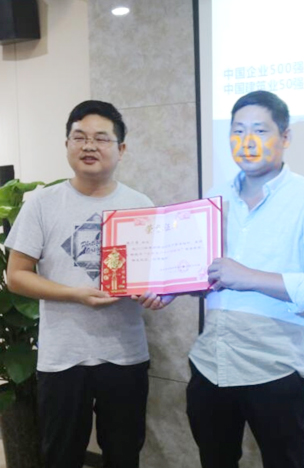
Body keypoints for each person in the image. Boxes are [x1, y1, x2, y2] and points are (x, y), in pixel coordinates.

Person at [6, 100, 172, 468]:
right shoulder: (42, 204)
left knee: (124, 453)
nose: (89, 146)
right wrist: (75, 294)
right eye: (79, 137)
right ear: (67, 144)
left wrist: (159, 293)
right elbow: (16, 275)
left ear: (121, 149)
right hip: (62, 356)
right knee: (60, 455)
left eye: (101, 138)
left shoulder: (140, 205)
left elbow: (158, 275)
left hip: (124, 354)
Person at [186, 90, 304, 468]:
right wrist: (173, 286)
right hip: (211, 363)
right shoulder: (215, 197)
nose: (247, 141)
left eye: (259, 130)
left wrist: (250, 277)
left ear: (285, 137)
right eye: (238, 130)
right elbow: (204, 271)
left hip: (276, 371)